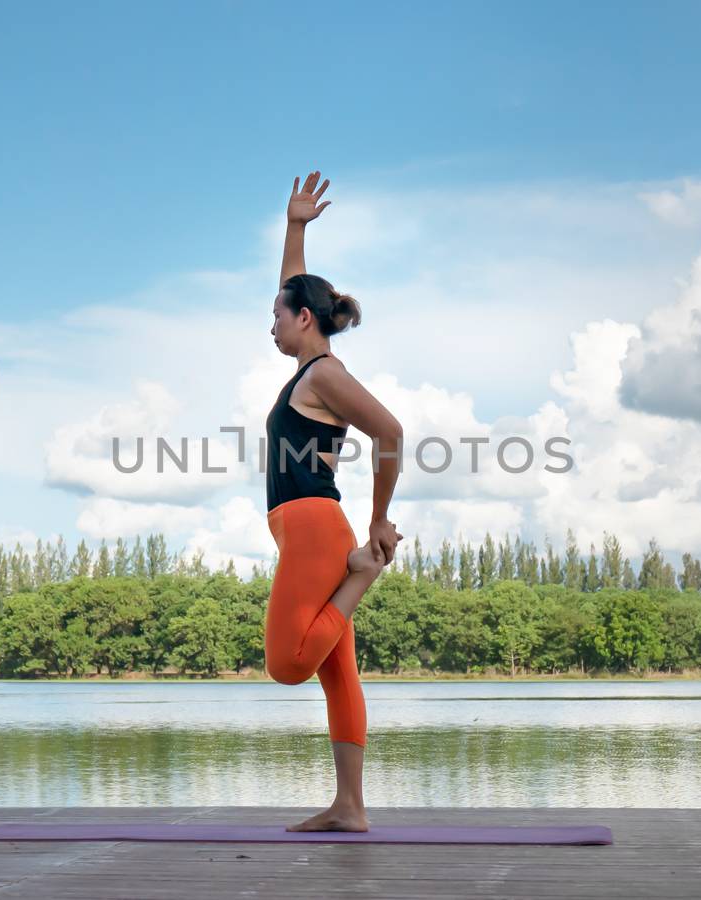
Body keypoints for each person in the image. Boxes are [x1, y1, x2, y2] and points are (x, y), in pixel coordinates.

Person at [264, 170, 404, 834]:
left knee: (290, 663)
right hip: (309, 528)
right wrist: (294, 227)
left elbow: (392, 432)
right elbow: (294, 283)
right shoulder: (309, 371)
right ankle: (350, 806)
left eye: (277, 316)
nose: (271, 325)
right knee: (338, 671)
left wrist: (376, 523)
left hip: (320, 529)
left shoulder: (325, 375)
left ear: (304, 320)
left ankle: (365, 570)